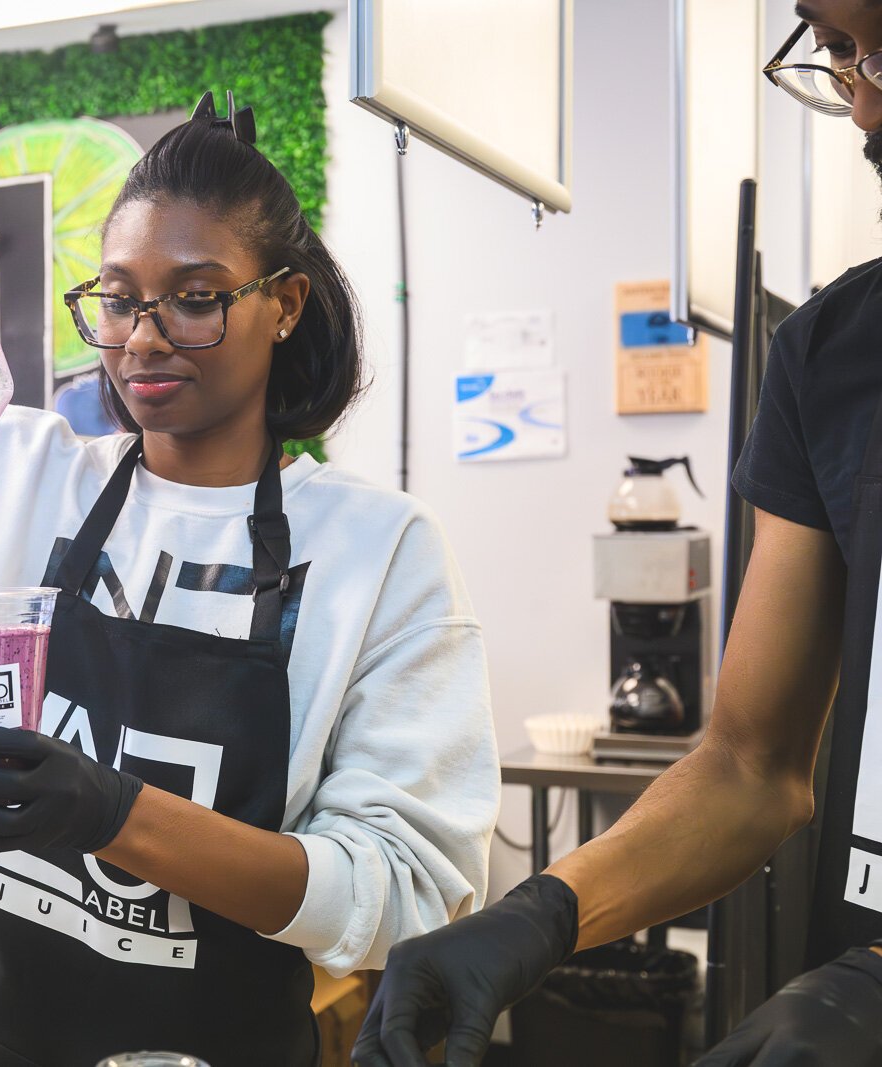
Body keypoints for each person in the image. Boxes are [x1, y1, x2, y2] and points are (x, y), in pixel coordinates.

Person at [0, 93, 499, 1064]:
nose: (143, 335)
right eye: (119, 298)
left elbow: (407, 894)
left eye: (196, 296)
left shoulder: (376, 549)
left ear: (283, 303)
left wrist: (117, 815)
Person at [352, 3, 882, 1065]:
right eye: (834, 47)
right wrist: (535, 914)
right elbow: (749, 762)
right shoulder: (829, 356)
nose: (863, 93)